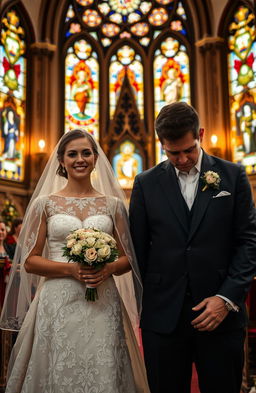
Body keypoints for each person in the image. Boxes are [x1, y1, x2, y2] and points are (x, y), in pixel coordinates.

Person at [1, 129, 150, 393]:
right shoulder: (44, 204)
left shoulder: (113, 205)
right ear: (61, 160)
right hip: (57, 301)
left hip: (103, 300)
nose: (79, 159)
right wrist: (71, 269)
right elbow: (31, 261)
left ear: (95, 158)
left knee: (103, 367)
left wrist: (108, 268)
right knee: (59, 368)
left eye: (85, 153)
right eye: (72, 154)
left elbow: (130, 259)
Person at [129, 101, 256, 393]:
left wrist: (226, 298)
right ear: (161, 144)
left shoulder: (233, 176)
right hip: (163, 318)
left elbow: (248, 242)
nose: (183, 159)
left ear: (199, 133)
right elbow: (138, 250)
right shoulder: (145, 183)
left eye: (189, 149)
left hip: (221, 313)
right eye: (174, 153)